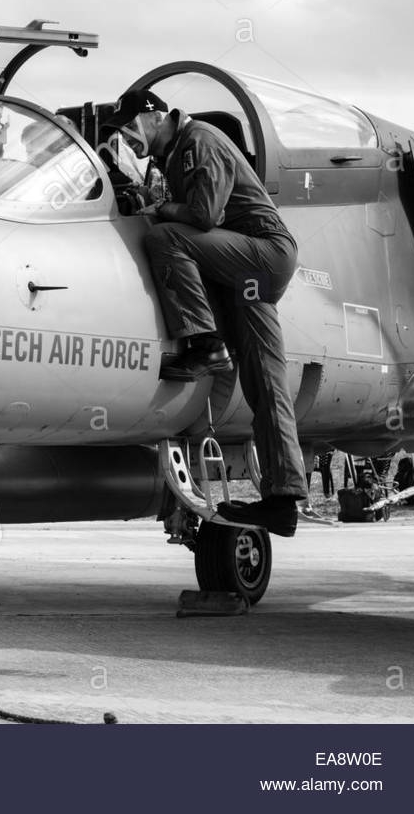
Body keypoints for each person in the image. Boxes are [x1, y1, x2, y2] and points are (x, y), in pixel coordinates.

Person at [106, 88, 307, 536]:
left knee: (166, 239)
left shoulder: (201, 141)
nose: (126, 138)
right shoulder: (173, 154)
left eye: (129, 127)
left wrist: (159, 210)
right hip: (243, 271)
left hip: (263, 253)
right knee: (265, 383)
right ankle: (282, 500)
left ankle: (204, 344)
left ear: (156, 116)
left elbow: (202, 216)